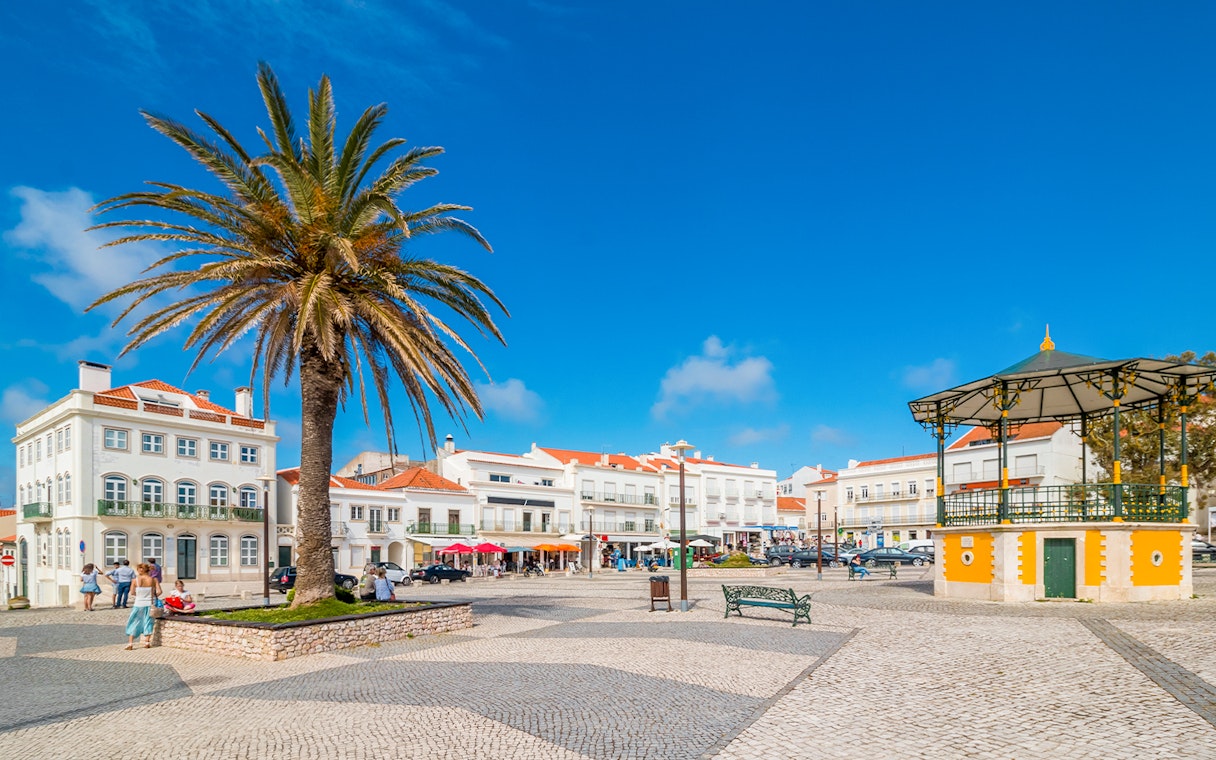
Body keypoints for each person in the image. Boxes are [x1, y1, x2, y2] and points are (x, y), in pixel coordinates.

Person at [124, 563, 161, 649]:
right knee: (148, 621)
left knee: (134, 621)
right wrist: (153, 596)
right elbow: (159, 591)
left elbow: (132, 592)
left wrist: (140, 595)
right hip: (150, 603)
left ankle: (130, 643)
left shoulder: (135, 580)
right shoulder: (153, 580)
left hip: (139, 603)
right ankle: (147, 642)